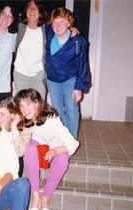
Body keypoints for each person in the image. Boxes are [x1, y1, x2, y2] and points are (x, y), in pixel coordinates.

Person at [14, 88, 79, 210]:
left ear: (37, 103)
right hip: (40, 148)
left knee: (63, 158)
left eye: (28, 104)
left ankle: (45, 198)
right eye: (21, 106)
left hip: (56, 148)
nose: (24, 109)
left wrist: (55, 151)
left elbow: (73, 143)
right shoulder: (27, 120)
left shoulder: (51, 119)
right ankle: (35, 196)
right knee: (30, 148)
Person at [45, 7, 91, 139]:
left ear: (69, 23)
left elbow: (82, 64)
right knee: (58, 110)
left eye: (62, 21)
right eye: (55, 22)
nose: (57, 25)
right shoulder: (48, 33)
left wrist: (79, 87)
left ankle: (71, 142)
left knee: (71, 108)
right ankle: (63, 139)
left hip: (70, 78)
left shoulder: (78, 42)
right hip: (53, 79)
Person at [13, 0, 48, 98]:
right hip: (20, 73)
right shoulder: (19, 27)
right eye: (30, 6)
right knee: (22, 105)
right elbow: (1, 22)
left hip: (39, 74)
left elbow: (60, 28)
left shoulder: (46, 29)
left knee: (38, 106)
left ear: (40, 11)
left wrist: (72, 28)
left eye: (36, 7)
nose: (32, 9)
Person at [0, 96, 32, 177]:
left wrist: (14, 128)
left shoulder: (25, 130)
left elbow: (20, 153)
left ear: (13, 115)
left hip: (12, 169)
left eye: (2, 114)